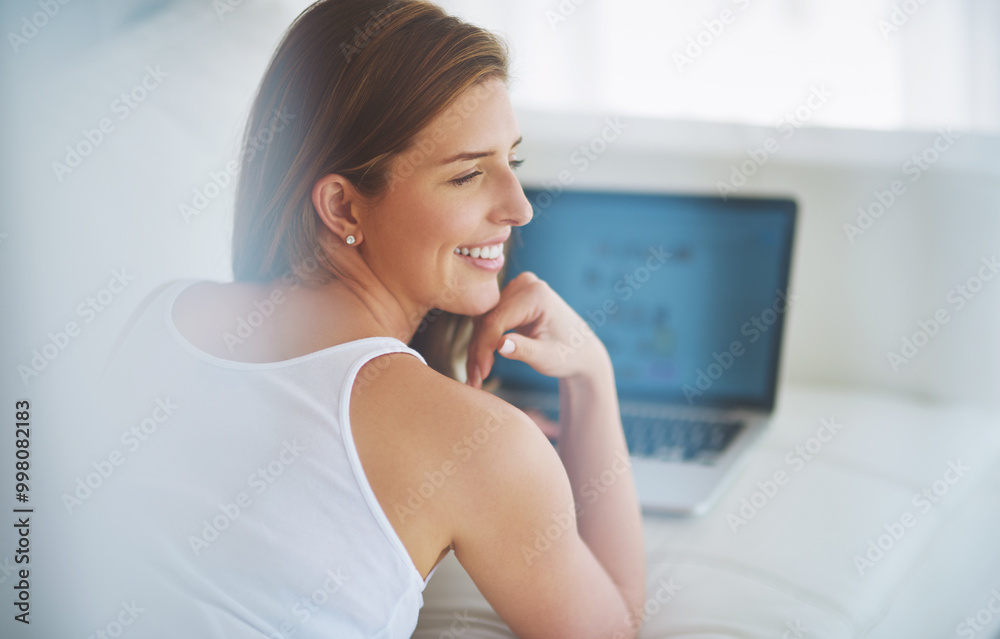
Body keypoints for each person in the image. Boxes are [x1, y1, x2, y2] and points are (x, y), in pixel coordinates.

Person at [90, 1, 646, 637]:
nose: (519, 206)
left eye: (510, 163)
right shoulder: (485, 448)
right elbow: (617, 627)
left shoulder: (166, 314)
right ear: (343, 208)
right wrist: (592, 376)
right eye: (468, 175)